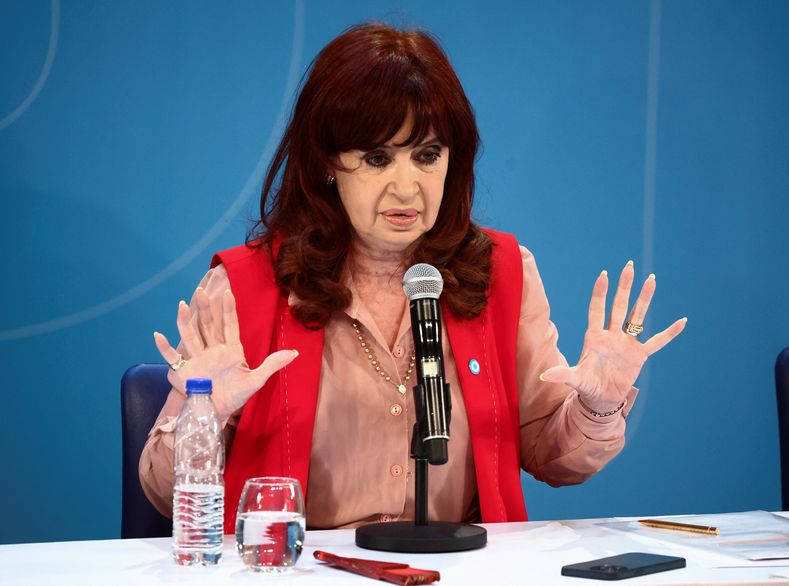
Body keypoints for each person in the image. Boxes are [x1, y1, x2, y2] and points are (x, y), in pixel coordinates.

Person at [139, 23, 686, 533]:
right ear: (327, 163)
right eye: (377, 159)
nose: (407, 187)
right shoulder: (245, 287)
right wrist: (204, 415)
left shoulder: (499, 274)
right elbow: (165, 496)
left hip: (460, 570)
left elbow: (552, 458)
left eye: (427, 155)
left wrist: (598, 404)